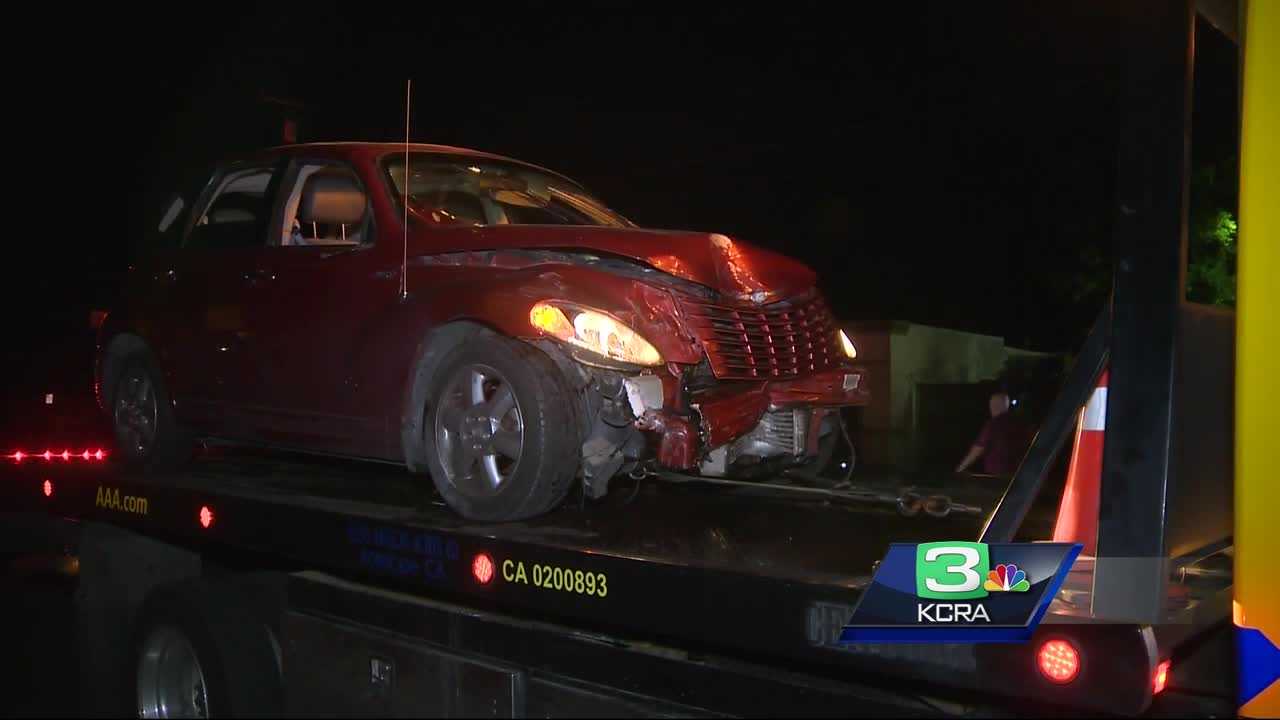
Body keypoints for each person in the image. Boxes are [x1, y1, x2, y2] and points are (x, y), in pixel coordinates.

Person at [955, 391, 1029, 476]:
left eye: (992, 404)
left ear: (994, 405)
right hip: (1018, 476)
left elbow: (978, 449)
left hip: (997, 477)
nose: (990, 408)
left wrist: (960, 469)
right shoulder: (1020, 424)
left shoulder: (993, 425)